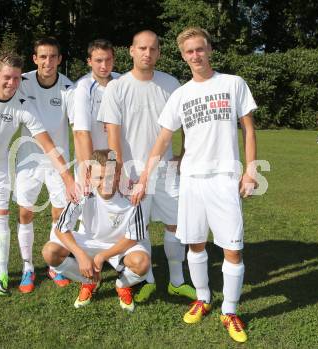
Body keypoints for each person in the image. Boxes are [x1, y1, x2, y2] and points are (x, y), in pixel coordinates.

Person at [132, 27, 257, 343]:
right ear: (183, 55)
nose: (195, 56)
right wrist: (146, 175)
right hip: (190, 180)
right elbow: (163, 139)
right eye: (189, 52)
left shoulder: (233, 84)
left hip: (225, 179)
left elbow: (249, 130)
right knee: (196, 244)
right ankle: (202, 298)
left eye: (200, 49)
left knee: (232, 248)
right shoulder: (181, 94)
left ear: (209, 49)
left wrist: (251, 170)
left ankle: (230, 310)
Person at [0, 52, 77, 297]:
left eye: (18, 78)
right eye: (7, 77)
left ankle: (1, 273)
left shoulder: (22, 105)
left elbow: (47, 144)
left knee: (0, 218)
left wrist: (68, 177)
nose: (12, 83)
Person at [97, 30, 195, 303]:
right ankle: (149, 279)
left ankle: (177, 280)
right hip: (131, 173)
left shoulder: (171, 83)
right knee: (139, 230)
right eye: (142, 48)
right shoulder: (117, 87)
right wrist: (120, 171)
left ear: (159, 53)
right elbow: (112, 134)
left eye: (152, 49)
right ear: (131, 50)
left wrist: (184, 153)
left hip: (165, 171)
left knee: (176, 224)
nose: (147, 53)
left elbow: (187, 122)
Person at [42, 149, 151, 312]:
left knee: (142, 263)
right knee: (50, 252)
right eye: (99, 177)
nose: (105, 183)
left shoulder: (132, 194)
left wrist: (103, 256)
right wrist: (80, 255)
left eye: (109, 177)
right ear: (88, 176)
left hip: (121, 245)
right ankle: (89, 280)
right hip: (90, 241)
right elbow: (61, 229)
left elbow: (133, 238)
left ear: (118, 174)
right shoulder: (82, 193)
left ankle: (122, 285)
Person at [14, 37, 74, 293]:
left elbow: (77, 125)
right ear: (34, 58)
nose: (48, 61)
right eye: (43, 57)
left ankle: (53, 265)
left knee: (58, 214)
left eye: (53, 57)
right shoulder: (22, 82)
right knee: (26, 213)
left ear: (60, 60)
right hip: (28, 160)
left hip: (58, 162)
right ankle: (28, 267)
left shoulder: (69, 88)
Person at [72, 39, 119, 188]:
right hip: (94, 163)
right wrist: (90, 168)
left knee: (117, 209)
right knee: (91, 210)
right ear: (89, 61)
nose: (104, 66)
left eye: (108, 60)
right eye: (98, 60)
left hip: (119, 161)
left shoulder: (122, 82)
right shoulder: (83, 87)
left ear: (114, 59)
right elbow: (81, 133)